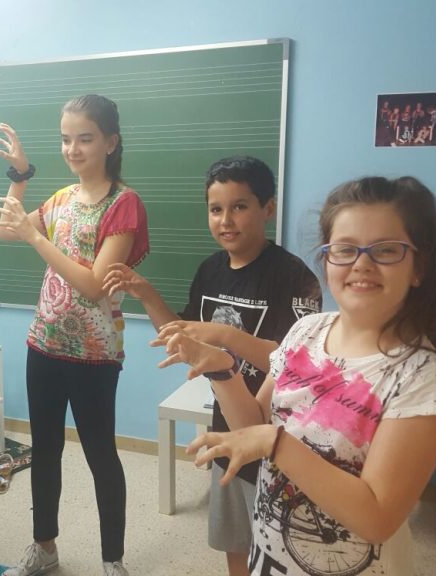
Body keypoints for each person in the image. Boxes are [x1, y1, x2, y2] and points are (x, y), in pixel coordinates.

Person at [162, 176, 436, 575]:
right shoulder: (307, 332)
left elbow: (376, 517)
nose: (361, 264)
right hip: (272, 559)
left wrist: (276, 443)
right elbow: (252, 425)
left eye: (386, 250)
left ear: (419, 267)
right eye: (344, 250)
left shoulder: (423, 377)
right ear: (326, 259)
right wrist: (224, 370)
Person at [103, 156, 321, 576]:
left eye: (240, 206)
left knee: (281, 550)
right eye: (216, 209)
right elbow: (183, 336)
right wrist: (148, 294)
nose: (226, 220)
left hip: (281, 441)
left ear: (268, 209)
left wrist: (224, 335)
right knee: (235, 544)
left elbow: (295, 360)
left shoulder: (294, 278)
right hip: (227, 430)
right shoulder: (210, 270)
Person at [0, 94, 150, 576]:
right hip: (44, 346)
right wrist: (20, 178)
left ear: (110, 141)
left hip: (95, 355)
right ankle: (45, 549)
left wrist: (36, 238)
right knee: (44, 451)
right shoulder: (61, 198)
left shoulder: (124, 204)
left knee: (102, 455)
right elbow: (5, 230)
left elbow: (92, 285)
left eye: (85, 138)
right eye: (66, 139)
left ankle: (112, 561)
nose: (73, 148)